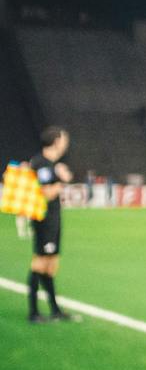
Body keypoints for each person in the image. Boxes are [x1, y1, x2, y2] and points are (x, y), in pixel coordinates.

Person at [26, 127, 77, 325]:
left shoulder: (49, 165)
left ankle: (54, 309)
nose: (66, 143)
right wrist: (62, 180)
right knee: (40, 263)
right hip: (44, 220)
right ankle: (33, 312)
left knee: (50, 264)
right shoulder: (42, 164)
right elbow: (47, 193)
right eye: (64, 139)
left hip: (53, 220)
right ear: (56, 141)